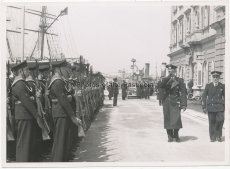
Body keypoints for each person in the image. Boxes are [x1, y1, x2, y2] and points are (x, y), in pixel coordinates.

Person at [11, 61, 45, 162]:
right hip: (24, 116)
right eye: (26, 70)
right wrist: (37, 116)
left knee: (28, 143)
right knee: (24, 144)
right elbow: (27, 102)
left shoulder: (23, 83)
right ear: (21, 71)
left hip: (26, 116)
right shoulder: (19, 84)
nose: (28, 72)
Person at [48, 60, 82, 162]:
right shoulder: (57, 81)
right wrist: (73, 117)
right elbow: (63, 100)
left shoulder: (60, 80)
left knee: (64, 142)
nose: (67, 70)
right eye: (65, 68)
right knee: (60, 142)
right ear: (58, 69)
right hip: (61, 113)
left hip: (63, 113)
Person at [159, 64, 187, 143]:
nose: (170, 71)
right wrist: (168, 78)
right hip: (167, 101)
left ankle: (176, 135)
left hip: (175, 101)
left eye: (171, 70)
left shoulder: (179, 80)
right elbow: (161, 86)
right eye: (168, 70)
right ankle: (170, 136)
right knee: (167, 118)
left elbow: (183, 93)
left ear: (175, 71)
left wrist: (184, 104)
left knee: (176, 119)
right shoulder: (164, 80)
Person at [202, 71, 225, 142]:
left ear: (219, 78)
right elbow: (204, 96)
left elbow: (226, 96)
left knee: (220, 120)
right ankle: (212, 137)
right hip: (211, 106)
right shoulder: (208, 86)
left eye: (217, 77)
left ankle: (219, 135)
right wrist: (204, 106)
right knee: (212, 122)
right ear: (212, 78)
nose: (215, 78)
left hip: (219, 106)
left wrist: (226, 105)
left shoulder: (222, 86)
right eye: (214, 77)